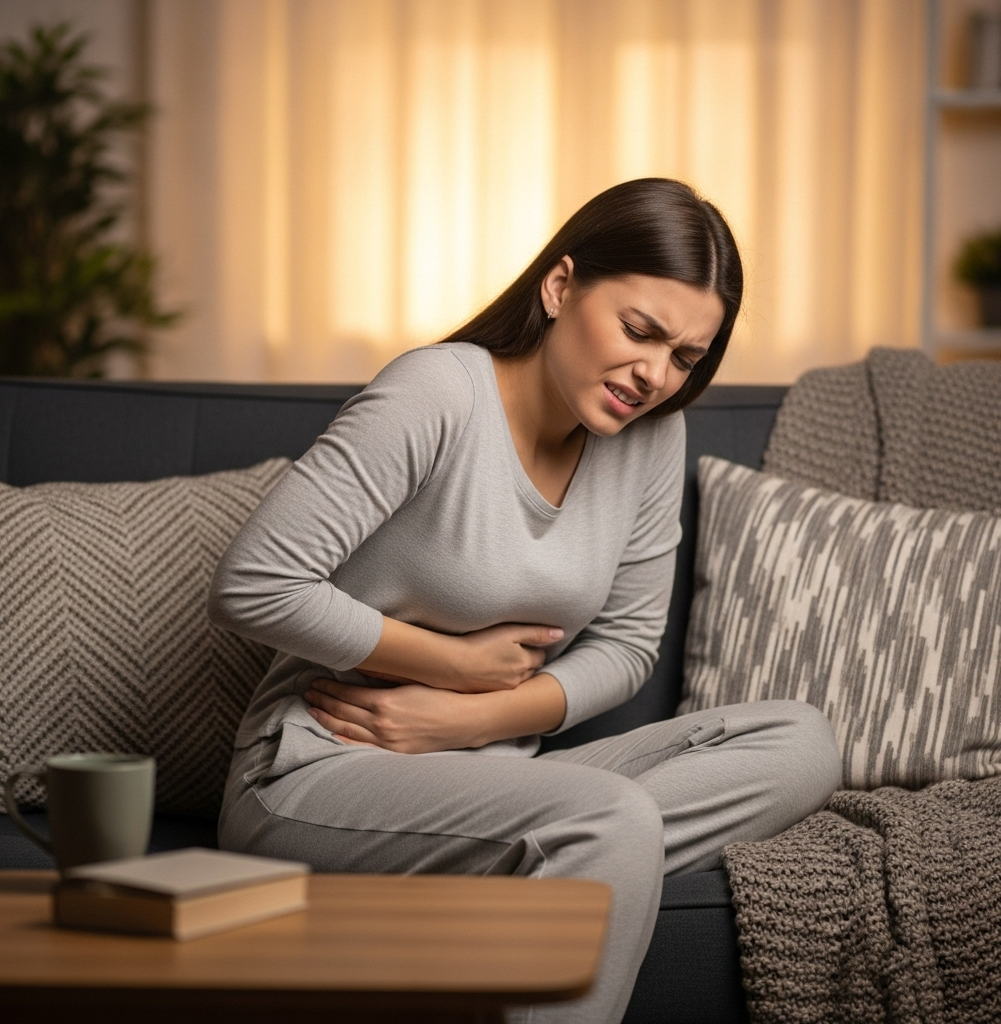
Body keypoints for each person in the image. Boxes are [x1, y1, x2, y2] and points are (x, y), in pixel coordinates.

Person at [209, 178, 842, 1024]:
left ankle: (562, 853)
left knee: (800, 742)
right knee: (611, 821)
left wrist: (469, 721)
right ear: (560, 286)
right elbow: (252, 585)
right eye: (639, 330)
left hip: (502, 774)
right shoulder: (437, 392)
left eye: (686, 358)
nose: (654, 375)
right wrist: (455, 667)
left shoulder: (651, 436)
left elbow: (625, 645)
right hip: (322, 766)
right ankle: (582, 850)